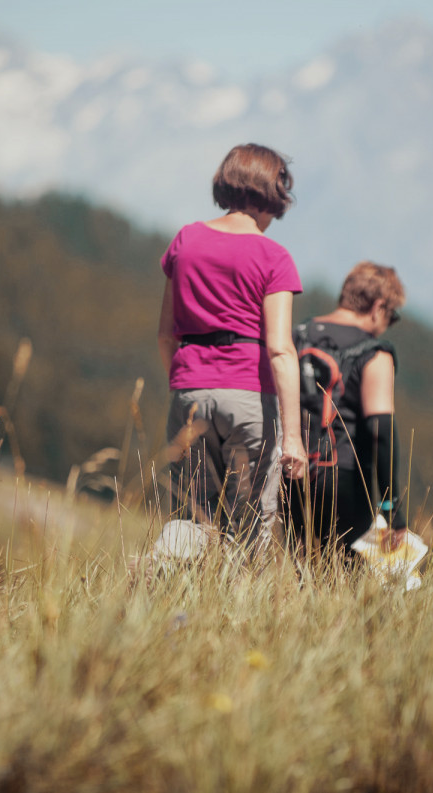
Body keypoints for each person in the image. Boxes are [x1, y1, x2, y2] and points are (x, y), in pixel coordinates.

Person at [157, 143, 308, 558]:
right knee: (250, 524)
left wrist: (187, 380)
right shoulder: (274, 257)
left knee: (191, 517)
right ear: (272, 197)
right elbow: (280, 349)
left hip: (189, 390)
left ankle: (161, 585)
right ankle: (238, 614)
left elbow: (165, 335)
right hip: (248, 398)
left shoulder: (186, 240)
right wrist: (292, 437)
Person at [286, 261, 409, 558]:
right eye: (391, 317)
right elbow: (380, 431)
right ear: (378, 307)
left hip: (290, 470)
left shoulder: (296, 335)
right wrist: (392, 506)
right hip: (344, 480)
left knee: (296, 567)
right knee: (343, 579)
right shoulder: (374, 353)